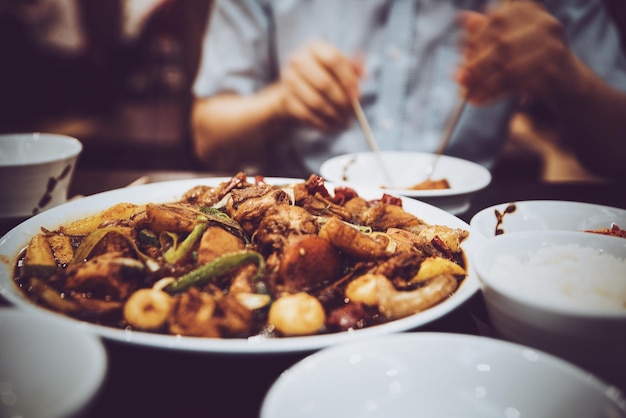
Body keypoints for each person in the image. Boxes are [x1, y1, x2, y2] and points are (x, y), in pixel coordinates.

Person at [190, 0, 626, 179]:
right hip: (303, 213)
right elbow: (209, 136)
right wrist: (280, 103)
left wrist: (570, 79)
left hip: (471, 227)